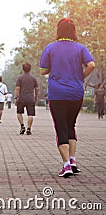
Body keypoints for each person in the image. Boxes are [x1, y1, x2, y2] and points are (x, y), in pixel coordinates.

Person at [40, 18, 95, 177]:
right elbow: (91, 64)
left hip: (57, 94)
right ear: (73, 31)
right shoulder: (80, 48)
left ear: (58, 31)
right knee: (71, 125)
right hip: (76, 93)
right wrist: (81, 77)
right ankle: (72, 160)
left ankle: (66, 166)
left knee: (60, 127)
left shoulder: (50, 48)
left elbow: (43, 70)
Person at [14, 63, 38, 135]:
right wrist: (36, 96)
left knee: (19, 112)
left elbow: (17, 88)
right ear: (30, 69)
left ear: (23, 69)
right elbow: (36, 89)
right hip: (30, 98)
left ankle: (22, 126)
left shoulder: (20, 78)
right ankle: (29, 129)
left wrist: (16, 97)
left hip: (21, 98)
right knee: (30, 114)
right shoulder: (33, 78)